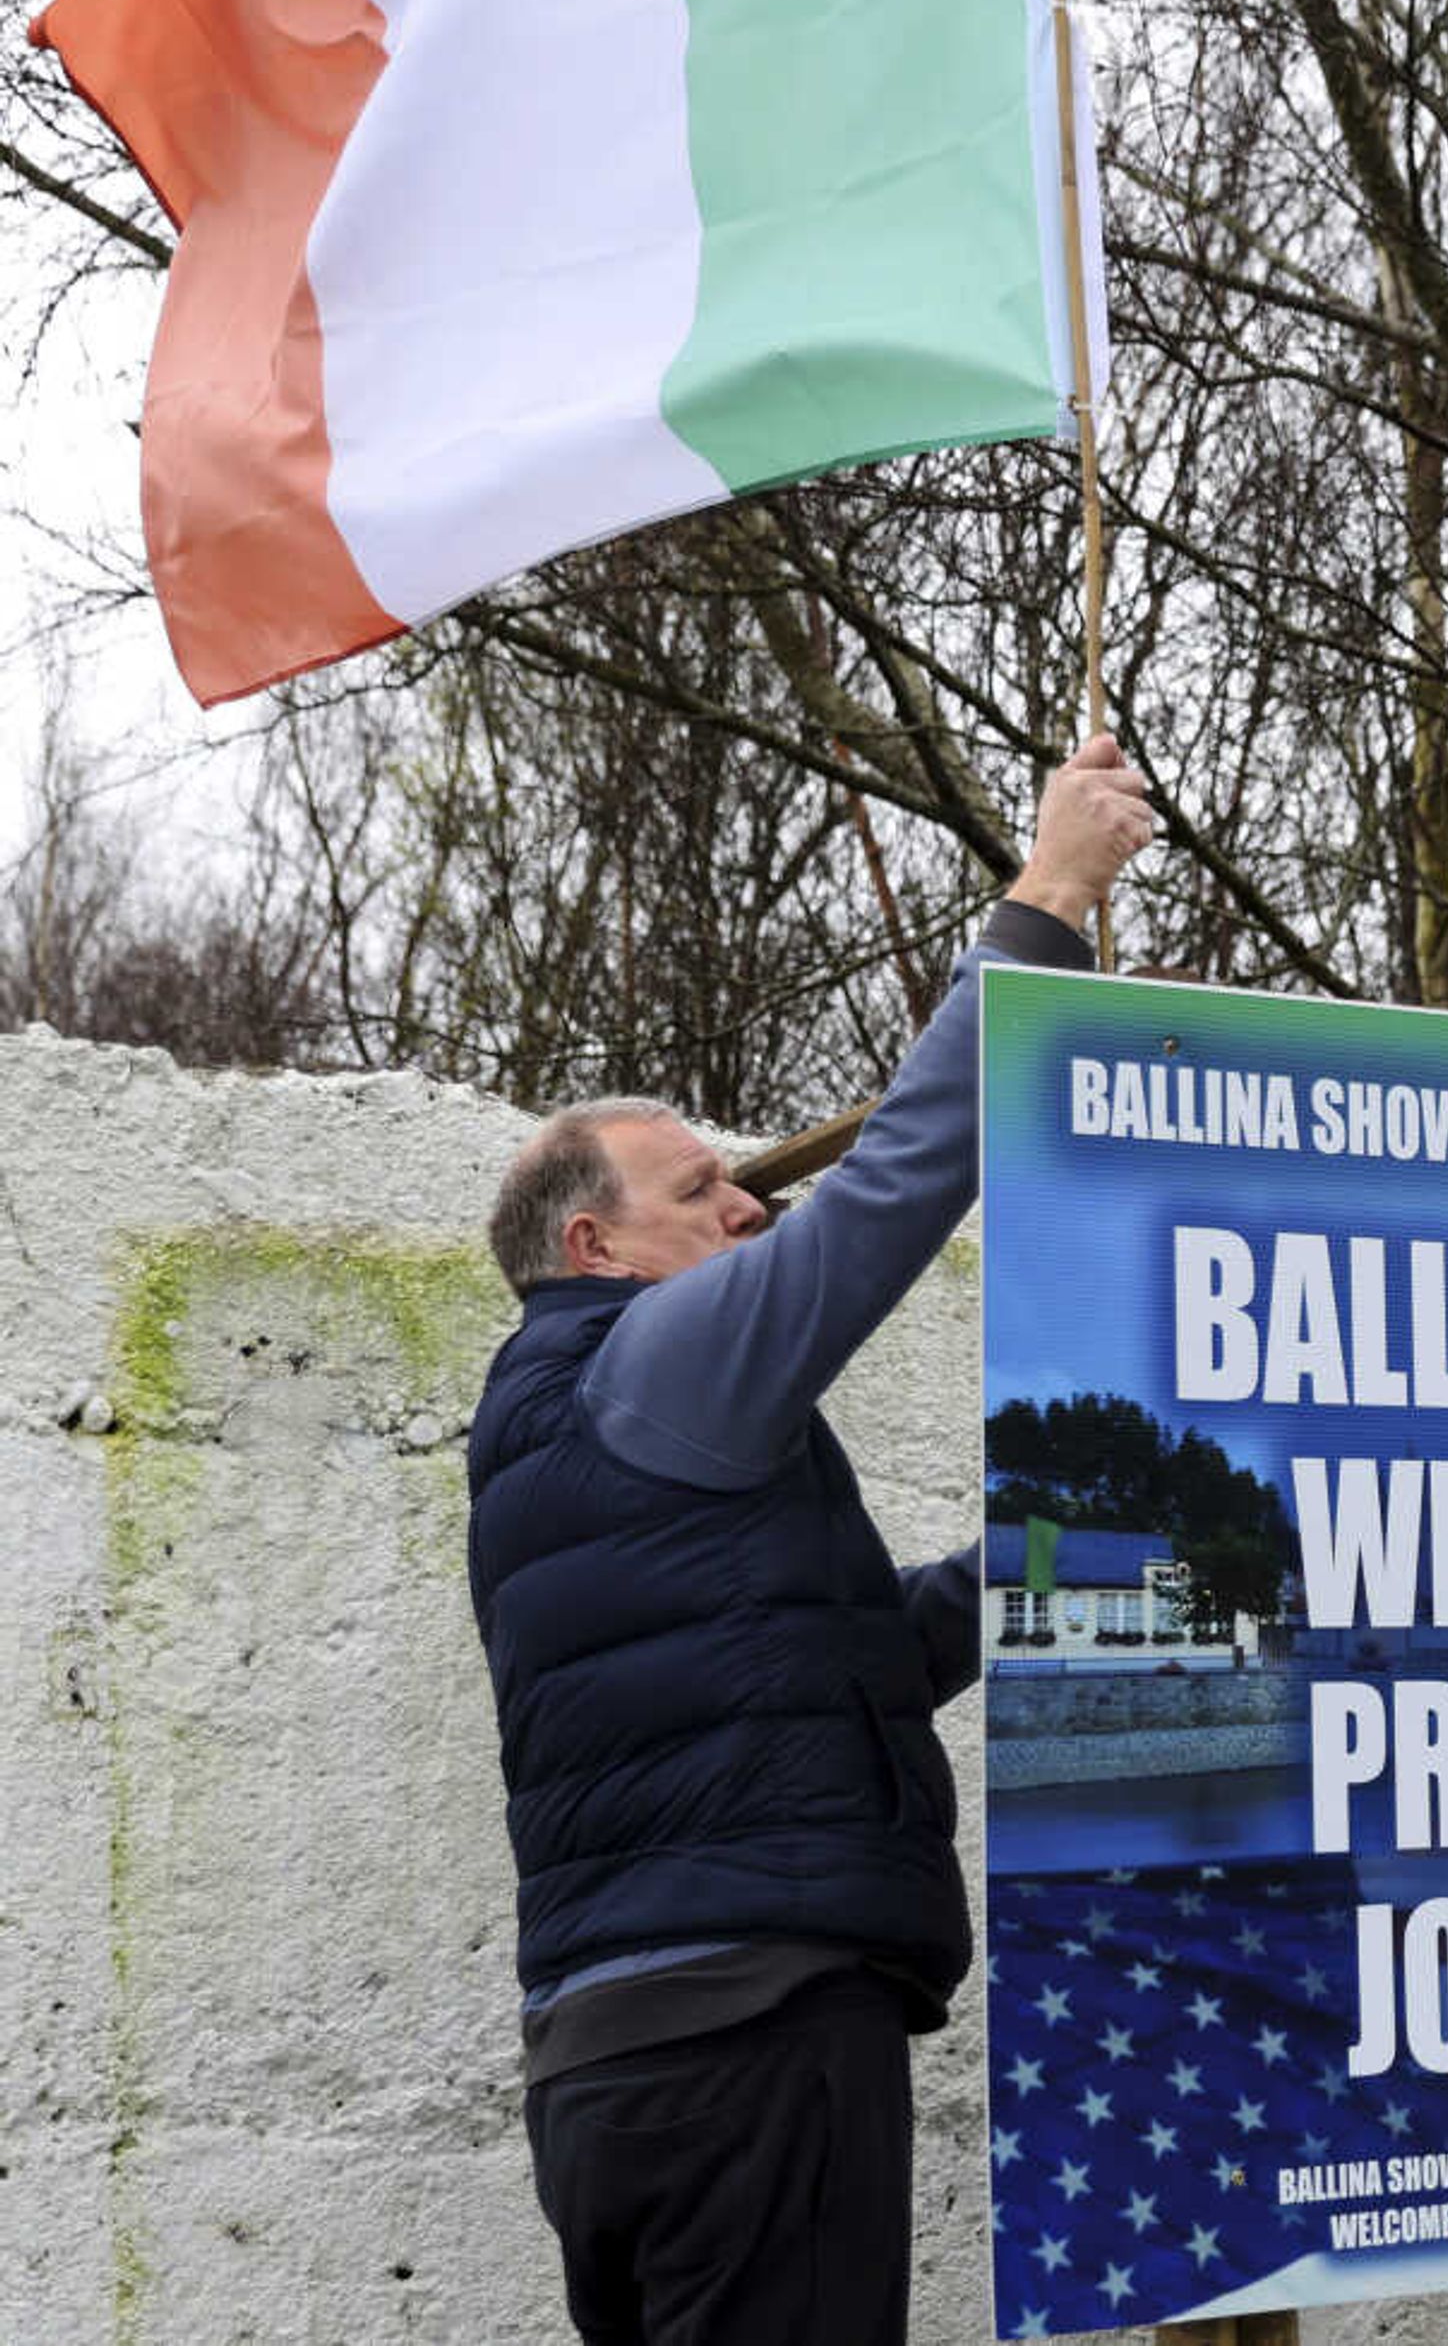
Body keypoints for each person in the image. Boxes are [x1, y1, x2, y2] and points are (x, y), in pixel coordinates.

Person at [464, 735, 1151, 2346]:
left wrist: (1083, 1563)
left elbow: (841, 1663)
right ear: (596, 1244)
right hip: (749, 2043)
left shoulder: (563, 1439)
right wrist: (1050, 892)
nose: (748, 1210)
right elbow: (896, 1186)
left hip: (618, 2070)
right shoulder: (658, 1359)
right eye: (703, 1191)